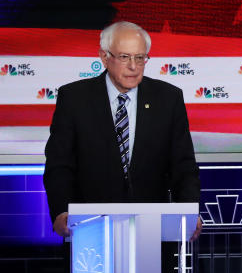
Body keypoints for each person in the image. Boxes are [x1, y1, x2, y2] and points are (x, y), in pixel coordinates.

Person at [43, 21, 202, 239]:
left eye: (140, 58)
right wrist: (61, 211)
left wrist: (189, 212)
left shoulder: (168, 98)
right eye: (124, 57)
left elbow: (183, 166)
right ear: (104, 57)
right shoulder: (74, 99)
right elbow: (59, 165)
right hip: (89, 229)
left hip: (153, 231)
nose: (134, 66)